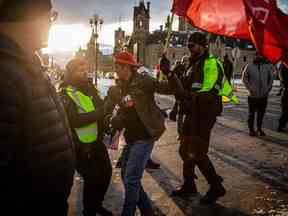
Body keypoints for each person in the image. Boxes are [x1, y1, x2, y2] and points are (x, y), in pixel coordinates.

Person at [0, 1, 75, 215]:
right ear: (27, 17)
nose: (51, 23)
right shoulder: (6, 75)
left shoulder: (25, 65)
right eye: (50, 16)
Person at [161, 32, 237, 205]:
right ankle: (189, 184)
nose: (189, 49)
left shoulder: (212, 65)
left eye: (192, 45)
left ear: (203, 46)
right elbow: (179, 91)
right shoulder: (191, 65)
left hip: (204, 114)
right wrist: (170, 74)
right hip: (190, 113)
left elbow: (208, 95)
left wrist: (187, 96)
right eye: (188, 45)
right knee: (184, 150)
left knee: (198, 153)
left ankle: (216, 186)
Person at [105, 51, 180, 216]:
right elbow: (109, 109)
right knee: (126, 176)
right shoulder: (117, 87)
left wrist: (169, 73)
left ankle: (128, 212)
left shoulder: (144, 81)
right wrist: (112, 118)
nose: (115, 69)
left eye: (118, 66)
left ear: (127, 67)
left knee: (131, 179)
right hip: (130, 138)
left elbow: (170, 89)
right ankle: (147, 211)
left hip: (145, 136)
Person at [60, 57, 112, 216]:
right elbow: (73, 120)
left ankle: (97, 204)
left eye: (85, 69)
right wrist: (99, 113)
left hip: (96, 141)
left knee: (106, 174)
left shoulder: (90, 88)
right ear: (71, 73)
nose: (84, 72)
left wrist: (109, 108)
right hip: (80, 146)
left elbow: (101, 107)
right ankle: (88, 211)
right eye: (80, 70)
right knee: (92, 180)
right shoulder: (66, 93)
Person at [242, 53, 274, 136]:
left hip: (263, 95)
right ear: (254, 57)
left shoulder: (267, 67)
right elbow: (244, 78)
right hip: (252, 95)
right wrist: (250, 89)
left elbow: (271, 78)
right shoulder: (249, 66)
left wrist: (268, 89)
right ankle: (251, 130)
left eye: (259, 56)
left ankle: (259, 129)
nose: (258, 57)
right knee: (251, 114)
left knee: (261, 114)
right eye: (256, 55)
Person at [278, 63, 288, 132]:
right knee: (285, 111)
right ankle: (281, 125)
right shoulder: (283, 66)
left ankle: (281, 125)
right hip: (286, 92)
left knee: (285, 111)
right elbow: (283, 80)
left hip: (285, 91)